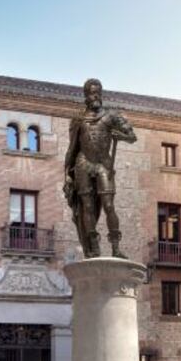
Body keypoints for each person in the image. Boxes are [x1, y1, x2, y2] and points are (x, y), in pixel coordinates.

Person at [63, 78, 137, 258]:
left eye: (97, 92)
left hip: (104, 163)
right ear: (85, 95)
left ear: (101, 94)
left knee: (109, 205)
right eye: (90, 92)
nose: (94, 95)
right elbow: (72, 148)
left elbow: (132, 135)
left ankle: (116, 248)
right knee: (87, 206)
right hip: (83, 163)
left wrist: (119, 134)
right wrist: (67, 174)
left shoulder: (112, 116)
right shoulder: (78, 119)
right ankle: (93, 247)